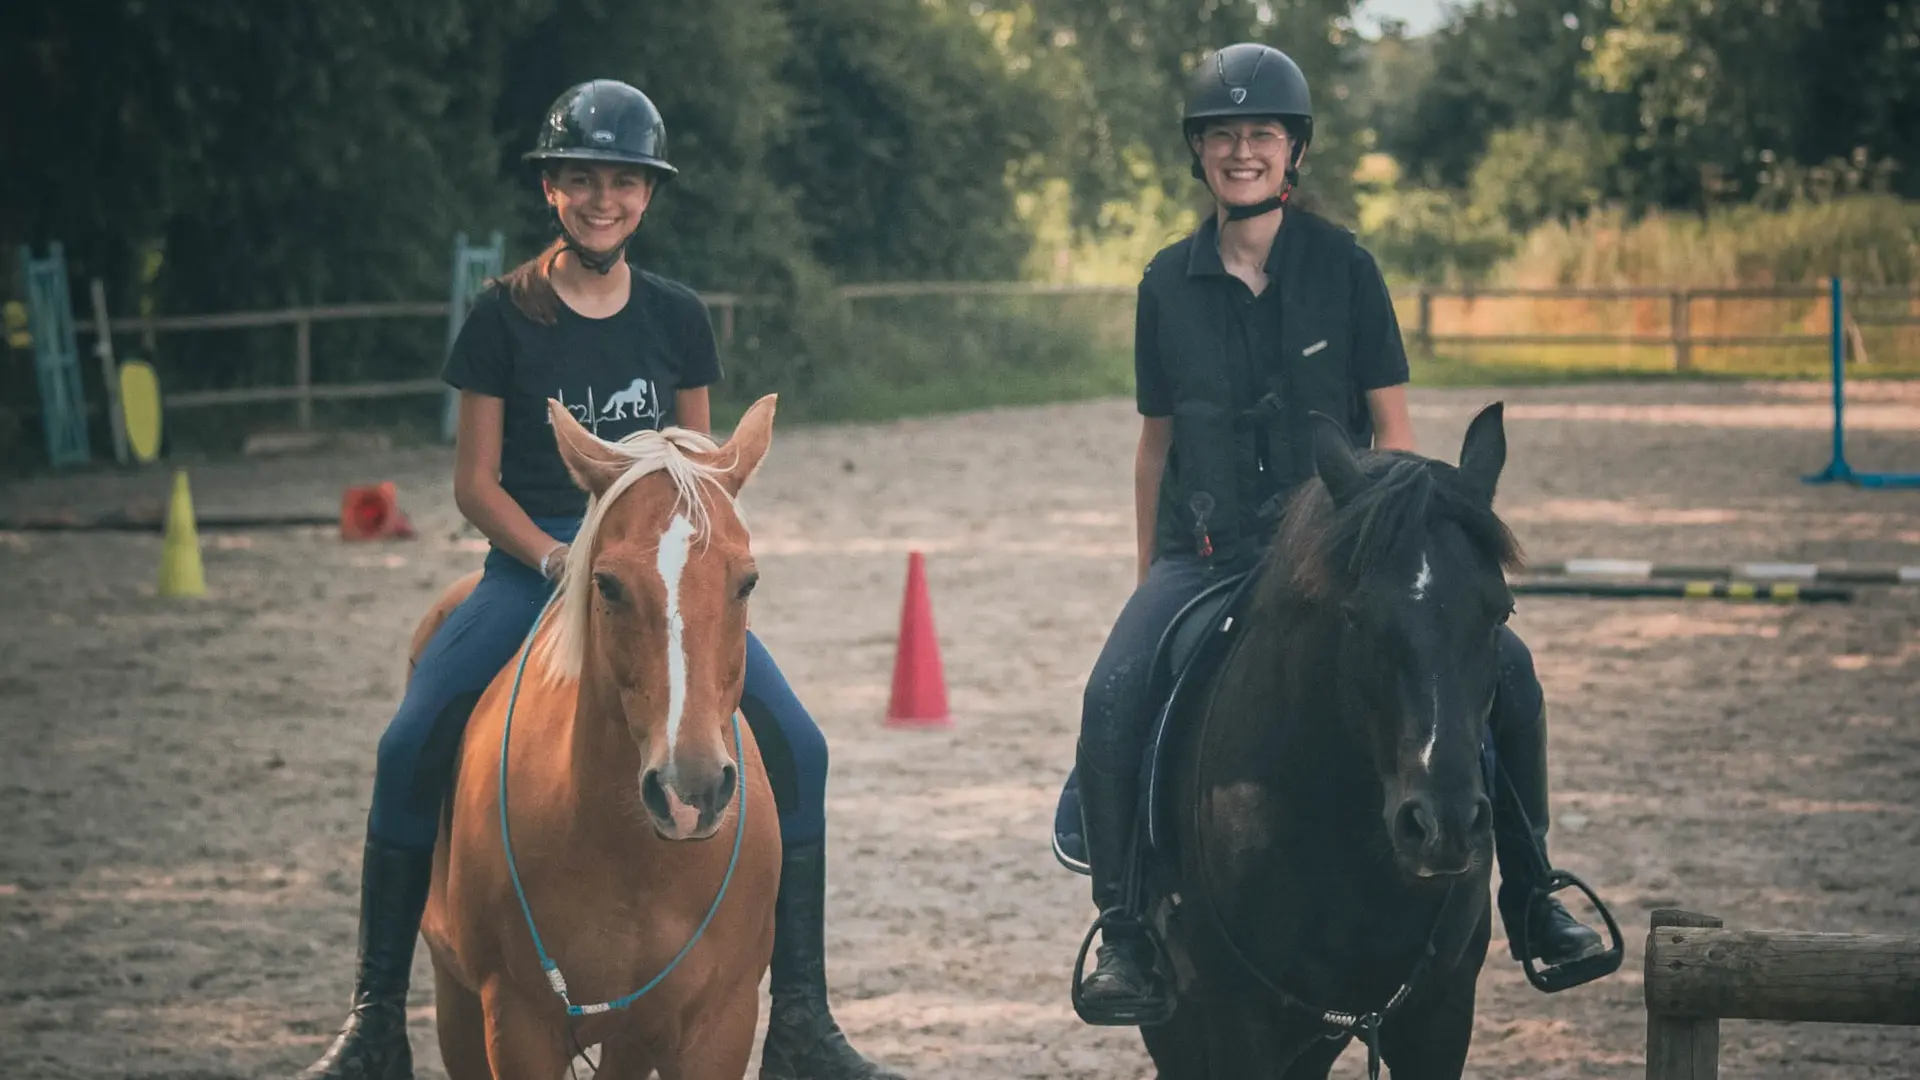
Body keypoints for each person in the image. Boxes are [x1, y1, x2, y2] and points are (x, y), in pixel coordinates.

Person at [293, 79, 905, 1080]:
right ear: (552, 191)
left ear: (647, 197)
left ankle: (802, 1011)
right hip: (529, 571)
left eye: (622, 183)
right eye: (581, 181)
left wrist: (673, 561)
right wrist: (557, 560)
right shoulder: (501, 317)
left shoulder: (675, 317)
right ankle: (371, 1021)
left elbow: (697, 473)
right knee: (412, 734)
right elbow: (474, 482)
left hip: (658, 579)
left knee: (800, 742)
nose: (602, 199)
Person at [1069, 43, 1606, 1021]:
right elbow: (1154, 447)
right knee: (1114, 685)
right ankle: (1128, 932)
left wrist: (1400, 549)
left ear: (1294, 151)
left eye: (1262, 134)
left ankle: (1532, 898)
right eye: (1223, 135)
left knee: (1512, 672)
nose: (1243, 151)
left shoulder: (1348, 268)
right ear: (1199, 154)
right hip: (1209, 554)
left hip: (1344, 549)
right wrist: (1145, 576)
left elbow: (1393, 433)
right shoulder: (1164, 283)